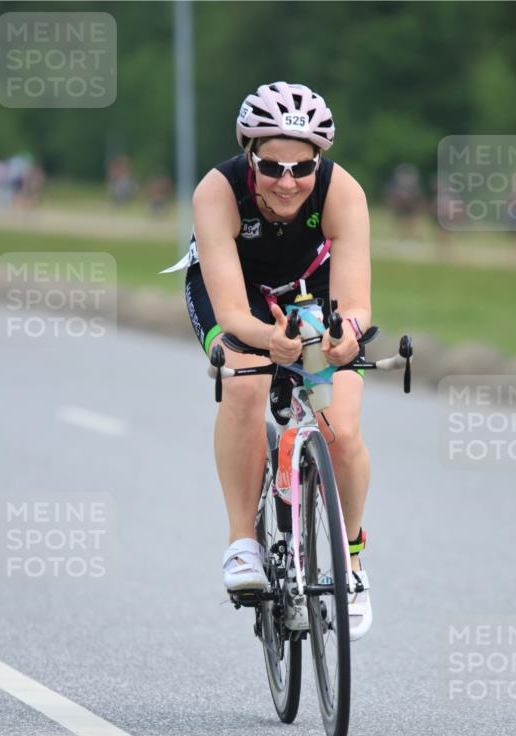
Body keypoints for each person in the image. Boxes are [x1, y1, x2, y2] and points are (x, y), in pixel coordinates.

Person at [176, 82, 372, 639]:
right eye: (272, 167)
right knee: (243, 381)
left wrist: (347, 337)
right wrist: (271, 341)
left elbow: (356, 304)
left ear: (318, 163)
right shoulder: (217, 191)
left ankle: (352, 561)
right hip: (238, 295)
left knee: (340, 429)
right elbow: (234, 315)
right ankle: (243, 542)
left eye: (302, 168)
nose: (287, 182)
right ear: (249, 157)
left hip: (314, 290)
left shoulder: (342, 191)